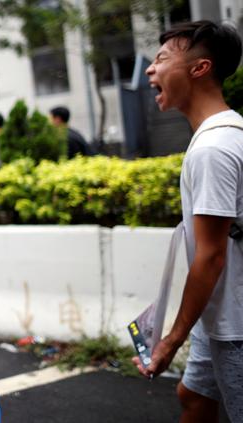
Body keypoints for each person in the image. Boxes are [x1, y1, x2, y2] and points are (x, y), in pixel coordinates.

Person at [134, 21, 243, 423]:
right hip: (216, 312)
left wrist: (169, 341)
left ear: (199, 69)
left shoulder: (214, 149)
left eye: (162, 59)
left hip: (236, 325)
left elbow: (211, 256)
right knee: (193, 395)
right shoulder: (220, 136)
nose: (150, 69)